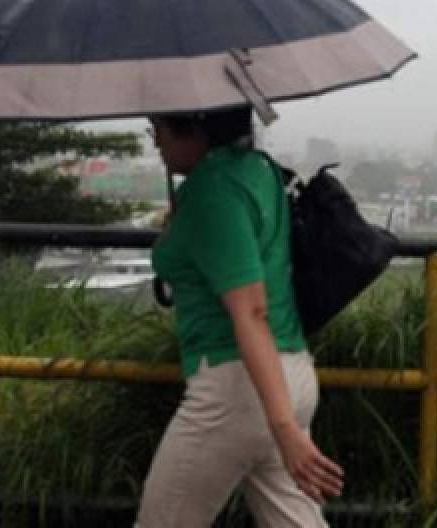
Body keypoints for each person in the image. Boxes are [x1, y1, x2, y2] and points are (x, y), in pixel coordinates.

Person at [136, 107, 344, 528]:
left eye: (159, 130)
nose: (155, 142)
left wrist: (282, 427)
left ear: (194, 128)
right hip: (290, 374)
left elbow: (250, 308)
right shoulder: (258, 168)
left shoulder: (212, 191)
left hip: (236, 389)